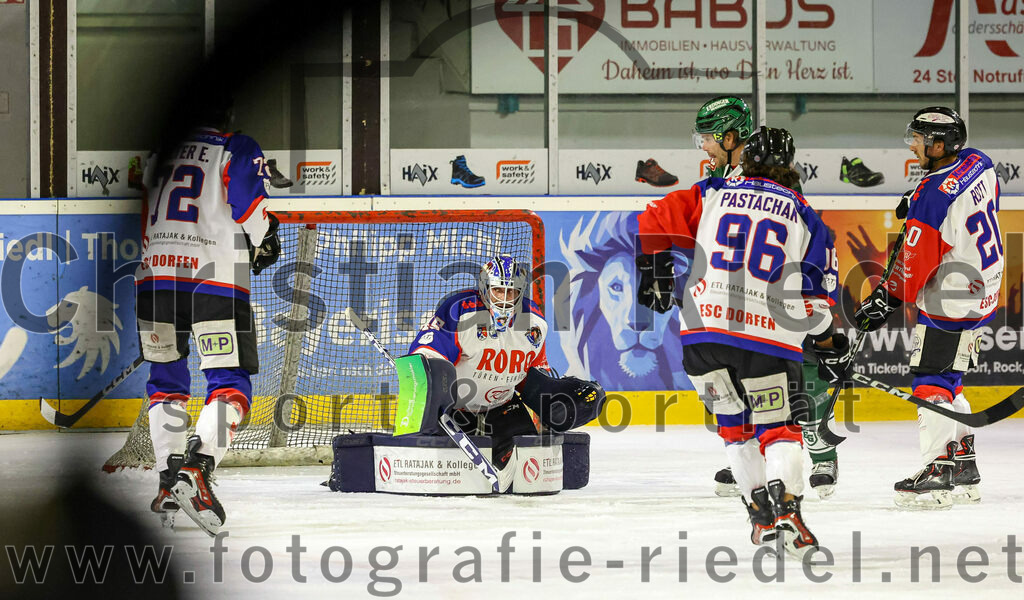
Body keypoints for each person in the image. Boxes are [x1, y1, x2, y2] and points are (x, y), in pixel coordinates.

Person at [636, 127, 850, 557]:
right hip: (765, 341)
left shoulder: (713, 191)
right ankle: (787, 511)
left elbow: (653, 217)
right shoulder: (808, 218)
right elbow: (814, 303)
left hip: (702, 335)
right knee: (779, 428)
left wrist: (653, 267)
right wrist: (827, 343)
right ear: (790, 166)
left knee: (736, 430)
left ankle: (761, 519)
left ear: (746, 157)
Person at [135, 93, 281, 535]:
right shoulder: (235, 146)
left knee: (166, 383)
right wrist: (265, 239)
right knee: (230, 382)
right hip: (214, 279)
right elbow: (252, 208)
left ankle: (167, 481)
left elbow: (140, 219)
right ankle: (197, 470)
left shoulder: (158, 153)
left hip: (153, 280)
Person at [692, 96, 841, 499]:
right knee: (746, 384)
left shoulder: (761, 180)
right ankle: (758, 453)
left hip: (777, 294)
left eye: (707, 137)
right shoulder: (718, 181)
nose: (702, 146)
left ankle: (821, 451)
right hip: (736, 297)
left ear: (731, 137)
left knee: (799, 374)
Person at [855, 106, 1001, 510]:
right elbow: (967, 196)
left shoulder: (931, 198)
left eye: (919, 139)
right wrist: (915, 197)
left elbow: (913, 267)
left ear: (940, 145)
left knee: (930, 378)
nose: (913, 145)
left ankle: (936, 471)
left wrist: (884, 299)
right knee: (952, 376)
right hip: (985, 285)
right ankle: (963, 463)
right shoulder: (980, 162)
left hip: (952, 295)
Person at [406, 255, 605, 468]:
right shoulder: (460, 310)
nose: (504, 298)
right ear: (484, 288)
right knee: (443, 470)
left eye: (511, 292)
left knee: (529, 467)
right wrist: (435, 407)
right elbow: (425, 358)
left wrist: (551, 398)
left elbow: (531, 375)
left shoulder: (534, 322)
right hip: (452, 414)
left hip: (502, 408)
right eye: (498, 290)